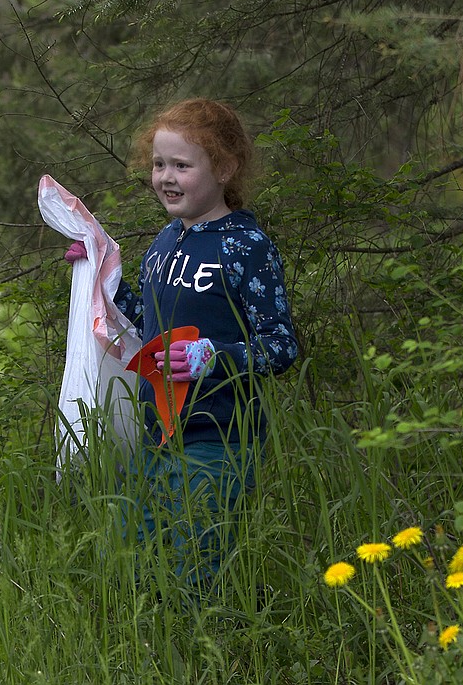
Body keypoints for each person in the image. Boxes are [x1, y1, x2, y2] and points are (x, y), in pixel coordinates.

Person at [65, 97, 298, 590]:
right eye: (158, 164)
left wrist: (211, 356)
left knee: (196, 569)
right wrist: (98, 269)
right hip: (157, 437)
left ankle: (218, 658)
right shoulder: (164, 242)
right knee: (140, 566)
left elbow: (279, 345)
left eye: (182, 166)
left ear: (225, 168)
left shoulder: (243, 246)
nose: (166, 177)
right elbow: (151, 323)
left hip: (219, 438)